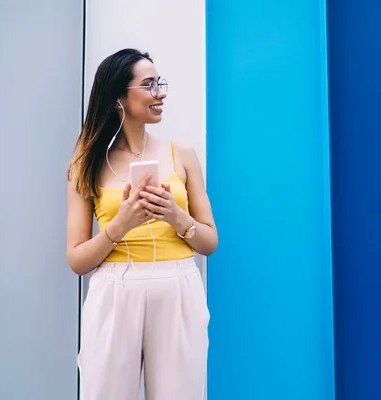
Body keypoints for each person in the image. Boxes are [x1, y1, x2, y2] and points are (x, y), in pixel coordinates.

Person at [66, 48, 218, 400]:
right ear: (119, 97)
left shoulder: (182, 153)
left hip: (178, 283)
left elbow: (209, 242)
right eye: (149, 85)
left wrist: (177, 217)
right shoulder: (86, 163)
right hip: (115, 290)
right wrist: (121, 223)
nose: (160, 93)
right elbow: (77, 260)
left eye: (160, 83)